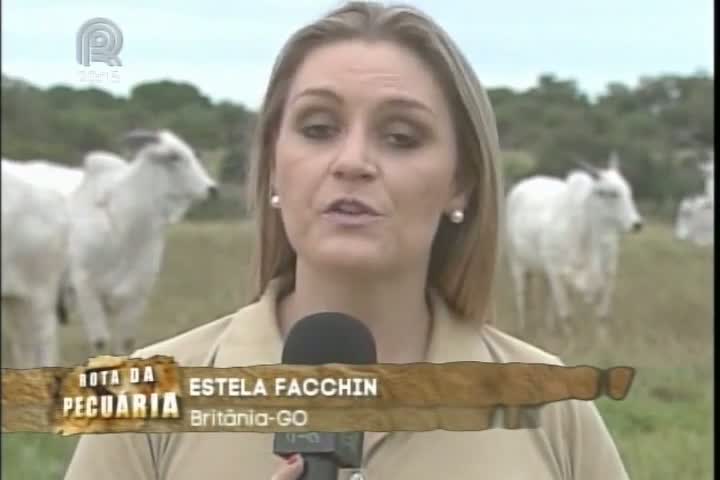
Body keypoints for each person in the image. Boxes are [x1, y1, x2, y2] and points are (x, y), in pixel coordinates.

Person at [64, 2, 630, 479]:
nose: (353, 162)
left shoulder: (552, 408)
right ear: (273, 169)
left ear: (461, 183)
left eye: (401, 137)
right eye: (317, 129)